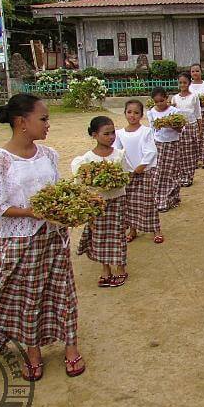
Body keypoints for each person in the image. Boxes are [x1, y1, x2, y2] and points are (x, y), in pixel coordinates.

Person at [0, 93, 85, 380]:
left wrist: (71, 207)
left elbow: (57, 193)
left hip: (53, 238)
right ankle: (32, 352)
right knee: (28, 299)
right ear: (22, 122)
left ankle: (71, 346)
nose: (48, 124)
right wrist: (29, 211)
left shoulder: (49, 155)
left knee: (63, 293)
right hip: (20, 242)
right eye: (44, 118)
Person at [72, 116, 132, 287]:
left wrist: (118, 179)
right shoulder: (86, 159)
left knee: (117, 234)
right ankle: (105, 269)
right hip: (97, 203)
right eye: (106, 134)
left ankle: (121, 268)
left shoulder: (119, 155)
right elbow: (81, 182)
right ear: (94, 135)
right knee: (99, 235)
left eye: (113, 133)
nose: (111, 137)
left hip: (117, 200)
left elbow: (127, 174)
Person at [114, 100, 163, 244]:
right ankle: (133, 229)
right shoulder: (119, 134)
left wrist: (141, 166)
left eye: (136, 113)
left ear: (141, 115)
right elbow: (117, 153)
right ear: (125, 113)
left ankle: (156, 229)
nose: (132, 115)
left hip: (144, 172)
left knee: (148, 201)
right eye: (129, 112)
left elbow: (151, 151)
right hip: (128, 174)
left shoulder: (146, 131)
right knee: (129, 203)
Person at [146, 87, 182, 211]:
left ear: (167, 98)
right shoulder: (151, 112)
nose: (159, 104)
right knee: (158, 172)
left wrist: (171, 124)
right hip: (158, 145)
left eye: (161, 101)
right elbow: (152, 130)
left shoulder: (175, 112)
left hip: (173, 144)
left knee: (170, 172)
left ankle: (170, 197)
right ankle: (158, 199)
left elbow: (180, 130)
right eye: (156, 102)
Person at [172, 72, 201, 187]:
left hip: (191, 127)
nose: (182, 85)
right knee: (180, 153)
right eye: (180, 83)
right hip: (179, 129)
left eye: (185, 82)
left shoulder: (194, 97)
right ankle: (181, 176)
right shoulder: (175, 98)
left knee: (190, 153)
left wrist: (200, 128)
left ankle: (189, 176)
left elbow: (198, 114)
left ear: (189, 83)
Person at [187, 63, 204, 169]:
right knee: (193, 136)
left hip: (203, 112)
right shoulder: (188, 86)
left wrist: (199, 102)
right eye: (193, 71)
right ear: (190, 73)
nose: (195, 73)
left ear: (201, 72)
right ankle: (194, 160)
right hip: (191, 114)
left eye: (197, 71)